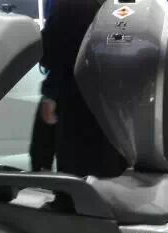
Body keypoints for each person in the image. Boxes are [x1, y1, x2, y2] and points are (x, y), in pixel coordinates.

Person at [40, 0, 126, 178]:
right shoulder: (121, 8)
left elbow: (50, 51)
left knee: (74, 166)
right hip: (115, 100)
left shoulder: (69, 6)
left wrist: (50, 93)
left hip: (74, 96)